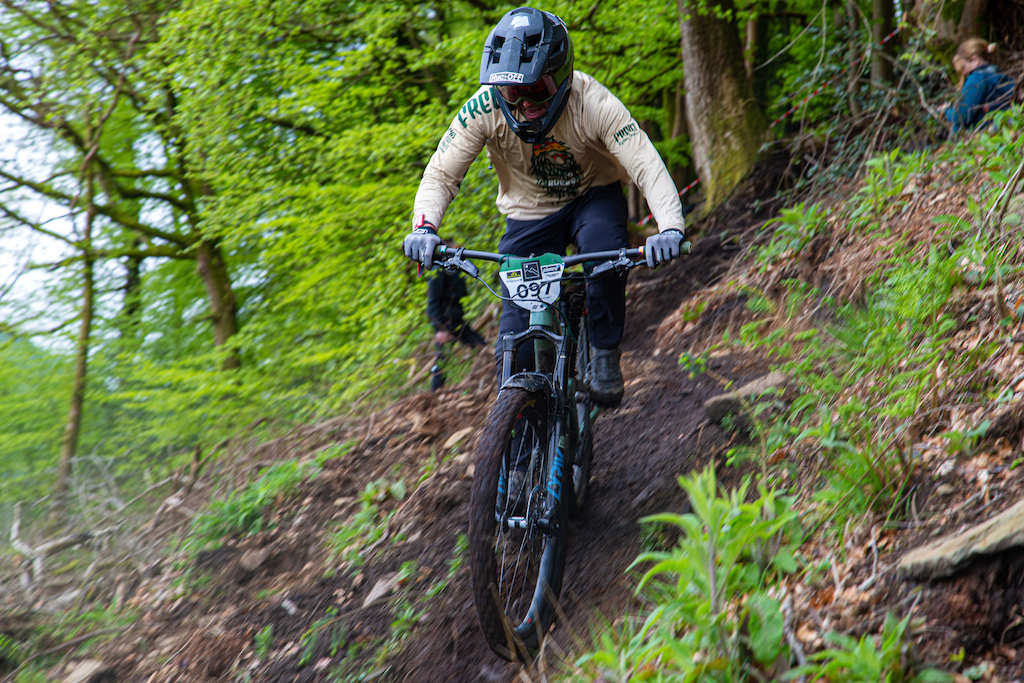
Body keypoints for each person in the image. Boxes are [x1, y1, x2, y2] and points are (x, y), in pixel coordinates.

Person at [402, 6, 687, 409]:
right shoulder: (482, 109)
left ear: (563, 76)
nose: (523, 102)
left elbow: (644, 162)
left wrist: (670, 228)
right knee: (514, 342)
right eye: (511, 91)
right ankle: (515, 456)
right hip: (528, 213)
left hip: (593, 196)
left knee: (603, 259)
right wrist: (425, 227)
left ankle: (604, 353)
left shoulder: (594, 101)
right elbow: (441, 175)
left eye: (536, 89)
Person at [427, 265, 486, 391]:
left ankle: (494, 372)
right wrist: (441, 329)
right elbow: (432, 306)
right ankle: (434, 395)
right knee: (442, 361)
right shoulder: (437, 272)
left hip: (457, 321)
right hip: (445, 323)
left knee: (482, 348)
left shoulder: (455, 269)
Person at [941, 38, 1014, 134]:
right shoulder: (997, 72)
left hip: (989, 134)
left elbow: (963, 116)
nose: (964, 73)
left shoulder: (977, 78)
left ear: (975, 60)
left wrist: (946, 111)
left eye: (964, 67)